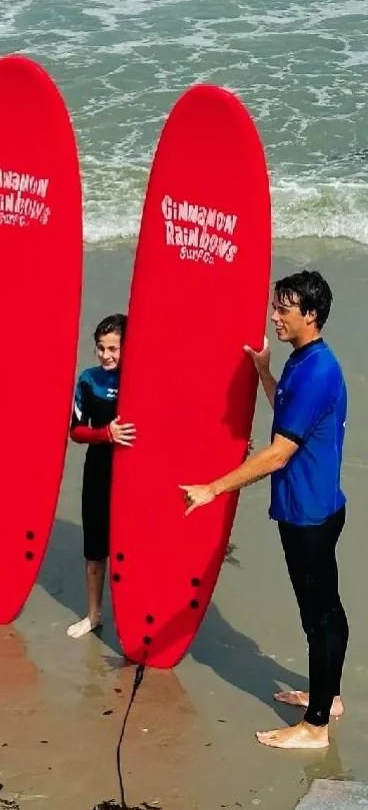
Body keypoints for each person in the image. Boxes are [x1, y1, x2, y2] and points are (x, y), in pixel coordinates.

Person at [181, 270, 347, 750]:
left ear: (309, 314)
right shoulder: (301, 360)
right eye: (275, 305)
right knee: (322, 610)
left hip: (310, 513)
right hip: (310, 506)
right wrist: (263, 373)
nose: (274, 315)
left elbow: (279, 451)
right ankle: (328, 696)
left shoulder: (319, 370)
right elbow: (288, 411)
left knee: (320, 616)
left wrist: (214, 488)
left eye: (284, 308)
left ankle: (315, 726)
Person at [67, 313, 135, 638]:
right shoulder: (88, 379)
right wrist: (105, 434)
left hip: (135, 475)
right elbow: (76, 431)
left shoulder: (142, 380)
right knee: (95, 546)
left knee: (132, 547)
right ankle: (94, 614)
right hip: (98, 469)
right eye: (101, 348)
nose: (106, 355)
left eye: (113, 349)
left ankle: (134, 619)